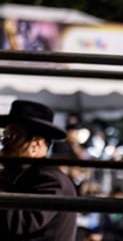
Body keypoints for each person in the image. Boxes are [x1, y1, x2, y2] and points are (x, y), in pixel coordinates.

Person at [0, 99, 78, 241]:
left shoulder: (49, 179)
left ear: (35, 145)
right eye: (5, 135)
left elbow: (18, 224)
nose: (5, 141)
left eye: (13, 135)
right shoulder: (22, 174)